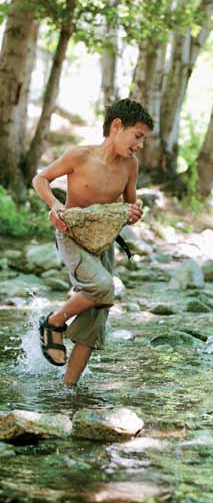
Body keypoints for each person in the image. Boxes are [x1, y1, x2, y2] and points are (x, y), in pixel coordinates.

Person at [32, 98, 154, 385]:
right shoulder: (80, 156)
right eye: (138, 136)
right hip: (72, 235)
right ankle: (54, 321)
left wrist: (134, 213)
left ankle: (68, 389)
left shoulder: (130, 166)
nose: (140, 145)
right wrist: (54, 205)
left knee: (97, 314)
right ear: (116, 126)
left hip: (104, 242)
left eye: (144, 139)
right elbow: (40, 179)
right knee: (101, 286)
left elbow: (130, 205)